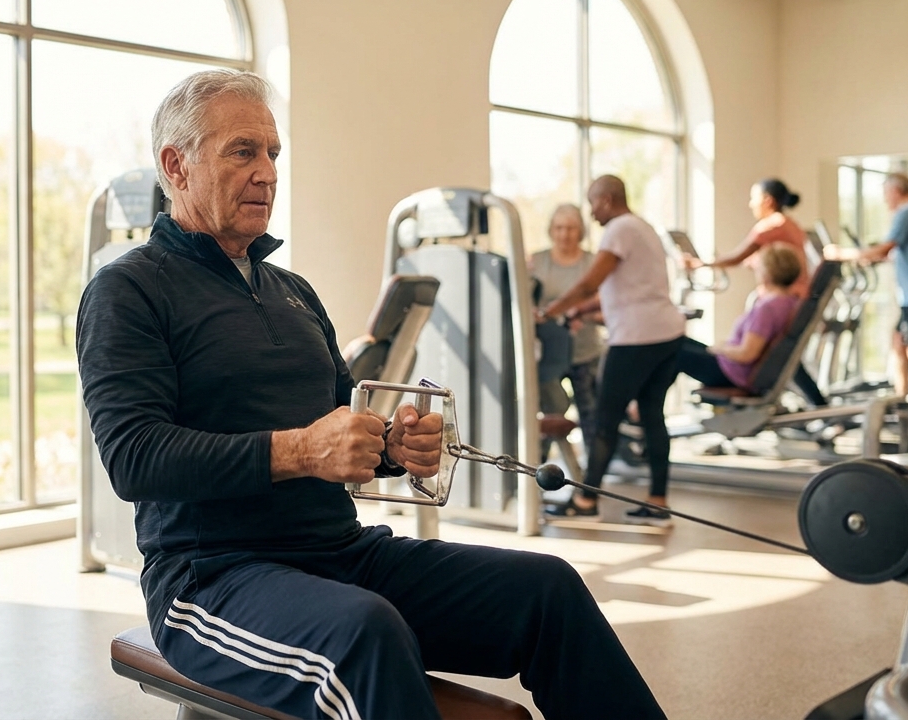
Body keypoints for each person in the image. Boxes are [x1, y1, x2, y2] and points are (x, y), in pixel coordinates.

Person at [77, 70, 664, 720]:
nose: (268, 172)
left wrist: (392, 446)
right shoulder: (127, 290)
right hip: (210, 579)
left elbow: (339, 432)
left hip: (339, 551)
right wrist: (300, 451)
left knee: (548, 589)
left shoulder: (292, 291)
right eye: (243, 151)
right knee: (366, 632)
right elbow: (135, 459)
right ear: (176, 165)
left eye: (273, 153)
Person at [539, 175, 686, 523]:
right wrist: (579, 311)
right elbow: (628, 291)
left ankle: (586, 502)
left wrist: (550, 311)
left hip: (636, 339)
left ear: (606, 200)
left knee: (606, 421)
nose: (591, 213)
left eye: (592, 203)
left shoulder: (618, 228)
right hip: (667, 335)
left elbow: (592, 282)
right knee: (653, 416)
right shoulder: (643, 227)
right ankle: (658, 500)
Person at [683, 178, 827, 406]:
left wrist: (702, 264)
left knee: (783, 356)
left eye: (754, 198)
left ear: (767, 200)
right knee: (785, 356)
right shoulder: (790, 224)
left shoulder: (771, 225)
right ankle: (819, 404)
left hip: (777, 302)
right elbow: (752, 259)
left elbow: (738, 256)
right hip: (792, 295)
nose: (751, 204)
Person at [825, 173, 908, 396]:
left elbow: (884, 248)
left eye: (885, 193)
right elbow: (897, 252)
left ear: (896, 190)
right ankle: (901, 399)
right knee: (899, 342)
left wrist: (841, 254)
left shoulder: (907, 212)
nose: (884, 199)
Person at [673, 243, 802, 392]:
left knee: (670, 351)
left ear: (766, 273)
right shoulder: (790, 302)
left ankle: (647, 409)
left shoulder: (767, 308)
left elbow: (747, 354)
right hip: (735, 367)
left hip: (734, 374)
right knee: (676, 341)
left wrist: (722, 348)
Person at [530, 203, 604, 456]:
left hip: (585, 352)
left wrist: (585, 315)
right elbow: (525, 303)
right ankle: (536, 471)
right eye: (559, 228)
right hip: (548, 355)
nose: (565, 234)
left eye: (571, 228)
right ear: (551, 230)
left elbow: (604, 308)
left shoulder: (592, 263)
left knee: (591, 416)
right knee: (549, 416)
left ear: (580, 231)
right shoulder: (536, 261)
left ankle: (592, 477)